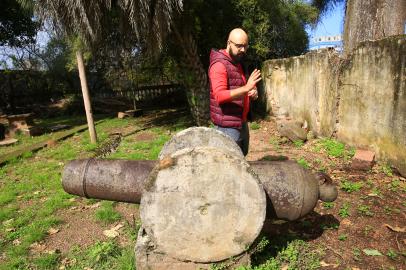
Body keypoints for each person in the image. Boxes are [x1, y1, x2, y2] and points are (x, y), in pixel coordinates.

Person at [208, 28, 261, 156]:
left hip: (240, 121)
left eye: (245, 46)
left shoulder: (237, 63)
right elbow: (219, 96)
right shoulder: (219, 65)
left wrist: (252, 93)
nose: (243, 50)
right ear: (228, 43)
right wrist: (246, 88)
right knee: (229, 164)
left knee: (242, 157)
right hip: (227, 126)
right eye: (239, 46)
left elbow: (242, 89)